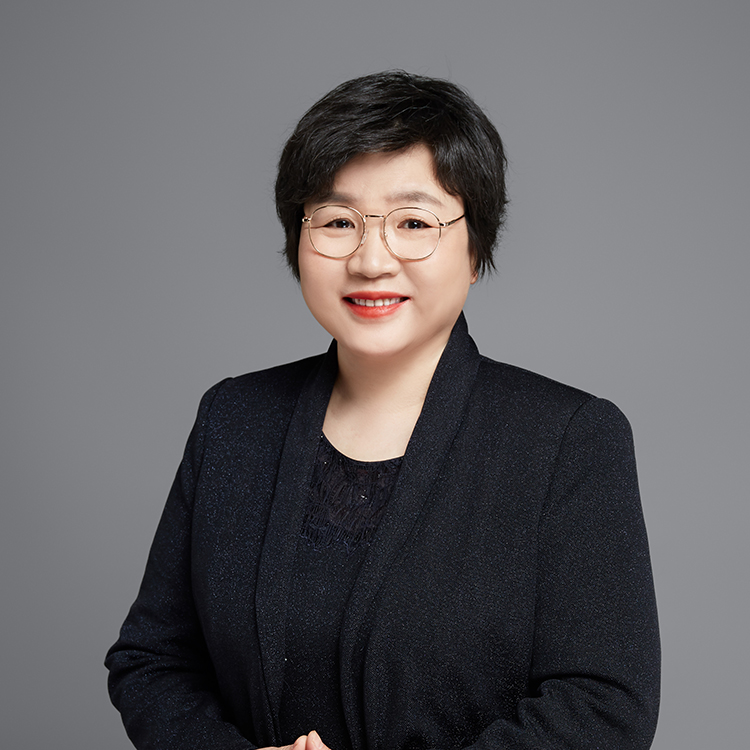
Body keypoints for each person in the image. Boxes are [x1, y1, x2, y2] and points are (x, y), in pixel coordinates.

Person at [105, 71, 660, 750]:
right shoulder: (234, 420)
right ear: (298, 237)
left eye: (413, 223)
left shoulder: (568, 440)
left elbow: (605, 706)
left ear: (476, 249)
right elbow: (152, 661)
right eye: (338, 221)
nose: (371, 260)